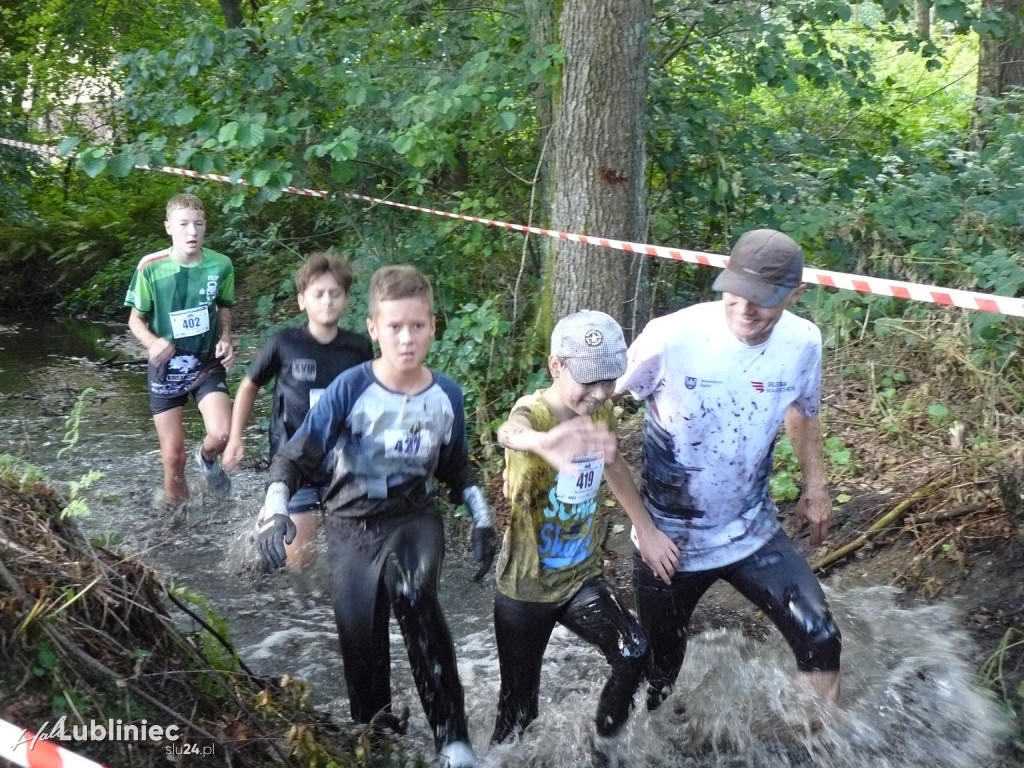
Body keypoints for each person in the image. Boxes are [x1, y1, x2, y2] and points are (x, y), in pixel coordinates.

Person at [257, 264, 496, 768]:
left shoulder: (446, 395)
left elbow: (457, 469)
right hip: (350, 528)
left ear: (433, 326)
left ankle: (454, 743)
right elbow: (297, 455)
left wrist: (482, 519)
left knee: (412, 593)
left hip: (414, 519)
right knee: (361, 648)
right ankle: (378, 742)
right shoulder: (350, 388)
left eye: (416, 326)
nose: (406, 339)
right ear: (373, 329)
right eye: (394, 327)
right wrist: (276, 506)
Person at [615, 228, 842, 716]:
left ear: (795, 295)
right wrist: (643, 527)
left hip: (752, 530)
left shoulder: (803, 341)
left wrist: (815, 487)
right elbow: (592, 402)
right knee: (659, 676)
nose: (745, 308)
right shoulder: (670, 337)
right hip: (670, 545)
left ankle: (816, 750)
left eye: (762, 300)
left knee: (821, 638)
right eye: (736, 293)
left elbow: (802, 408)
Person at [491, 310, 679, 762]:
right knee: (518, 712)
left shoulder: (603, 410)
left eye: (609, 381)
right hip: (524, 588)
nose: (598, 394)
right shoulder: (534, 410)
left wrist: (646, 529)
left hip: (579, 579)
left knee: (633, 652)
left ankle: (603, 750)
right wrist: (541, 442)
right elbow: (509, 431)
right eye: (589, 381)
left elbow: (613, 465)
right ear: (556, 366)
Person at [223, 252, 373, 571]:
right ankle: (266, 529)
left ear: (346, 299)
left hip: (340, 462)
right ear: (302, 300)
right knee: (300, 564)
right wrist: (236, 437)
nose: (327, 301)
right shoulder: (284, 343)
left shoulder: (358, 348)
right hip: (293, 461)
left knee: (349, 560)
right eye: (318, 294)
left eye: (335, 293)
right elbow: (249, 385)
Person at [125, 192, 235, 507]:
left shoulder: (221, 265)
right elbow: (134, 319)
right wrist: (152, 342)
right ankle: (178, 523)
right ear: (169, 227)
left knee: (222, 434)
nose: (192, 231)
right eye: (184, 224)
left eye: (198, 224)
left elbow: (224, 306)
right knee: (173, 458)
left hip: (205, 363)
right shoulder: (150, 267)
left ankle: (208, 459)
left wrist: (226, 337)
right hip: (166, 366)